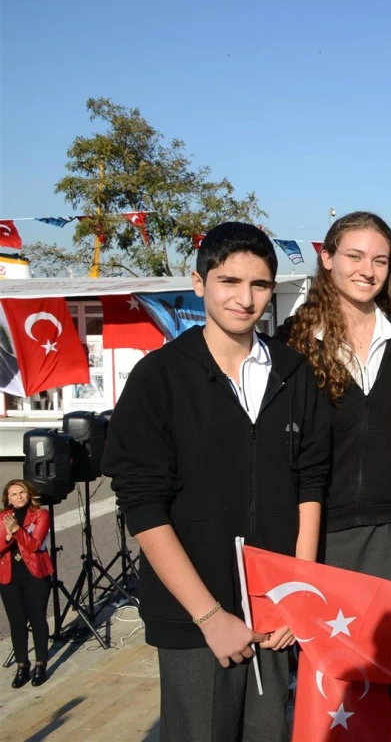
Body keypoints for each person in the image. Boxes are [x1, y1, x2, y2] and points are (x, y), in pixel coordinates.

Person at [104, 223, 330, 742]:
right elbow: (143, 506)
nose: (244, 299)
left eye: (259, 285)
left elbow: (311, 486)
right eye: (229, 282)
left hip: (274, 611)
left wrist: (298, 592)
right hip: (193, 620)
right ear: (199, 281)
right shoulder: (159, 378)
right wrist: (208, 616)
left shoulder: (295, 374)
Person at [279, 212, 391, 592]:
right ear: (327, 258)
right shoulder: (292, 341)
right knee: (327, 650)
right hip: (320, 526)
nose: (368, 270)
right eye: (354, 256)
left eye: (380, 260)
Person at [1, 480, 54, 688]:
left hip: (35, 575)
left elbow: (33, 544)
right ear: (8, 499)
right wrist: (6, 537)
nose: (18, 497)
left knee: (38, 619)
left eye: (22, 492)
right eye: (13, 494)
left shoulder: (41, 515)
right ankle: (22, 665)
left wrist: (15, 530)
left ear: (29, 494)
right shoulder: (2, 517)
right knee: (17, 623)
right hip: (8, 577)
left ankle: (41, 663)